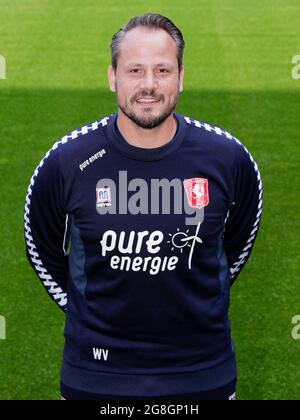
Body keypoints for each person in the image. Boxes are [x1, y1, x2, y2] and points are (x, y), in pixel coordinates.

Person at [24, 13, 263, 401]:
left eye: (162, 70)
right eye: (135, 70)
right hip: (94, 375)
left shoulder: (227, 158)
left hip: (202, 372)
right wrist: (87, 310)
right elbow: (40, 248)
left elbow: (235, 244)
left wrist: (197, 292)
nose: (149, 85)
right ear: (112, 77)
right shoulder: (67, 161)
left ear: (181, 77)